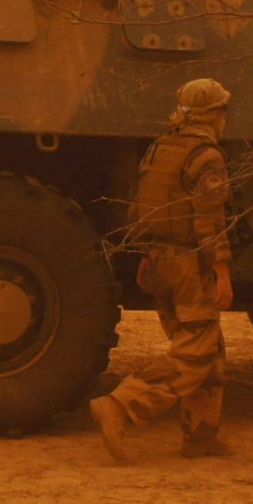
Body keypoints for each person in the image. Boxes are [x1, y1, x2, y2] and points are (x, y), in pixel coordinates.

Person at [89, 77, 235, 462]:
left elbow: (143, 208)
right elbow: (209, 221)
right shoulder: (207, 157)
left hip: (162, 262)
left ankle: (201, 437)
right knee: (195, 353)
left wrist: (148, 256)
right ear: (213, 114)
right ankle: (123, 405)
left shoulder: (160, 149)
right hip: (190, 265)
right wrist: (221, 272)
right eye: (222, 109)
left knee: (207, 347)